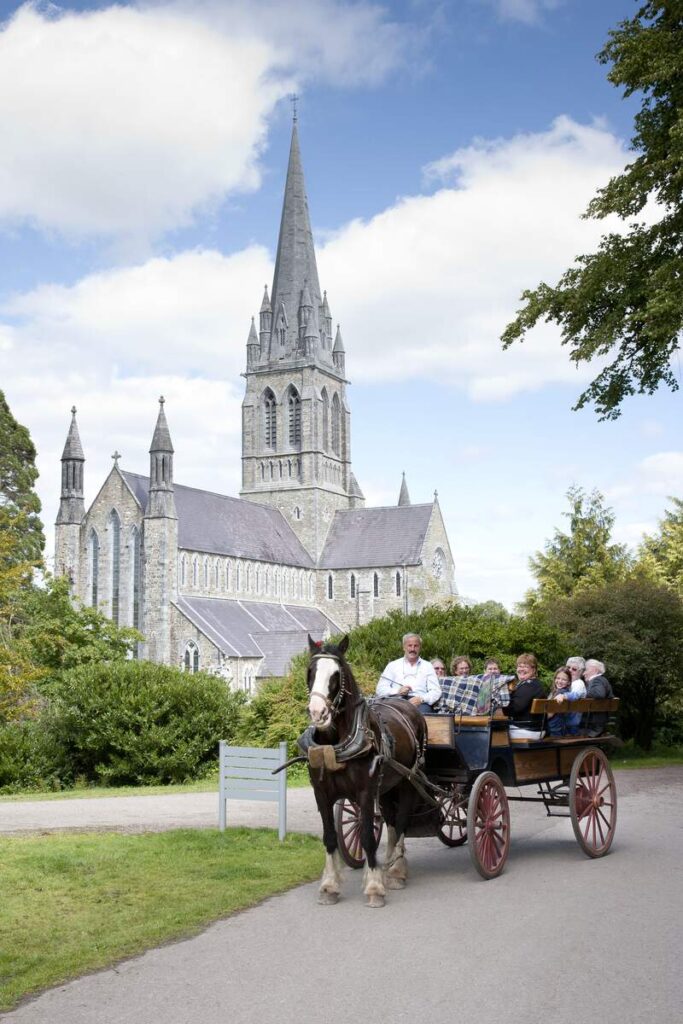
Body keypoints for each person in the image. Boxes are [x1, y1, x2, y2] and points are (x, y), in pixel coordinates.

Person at [376, 633, 441, 713]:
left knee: (424, 716)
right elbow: (380, 689)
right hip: (395, 701)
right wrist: (397, 691)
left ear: (420, 648)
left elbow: (436, 691)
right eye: (409, 645)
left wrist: (421, 699)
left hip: (419, 704)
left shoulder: (427, 666)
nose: (412, 649)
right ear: (404, 647)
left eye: (416, 646)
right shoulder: (392, 665)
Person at [556, 658, 613, 736]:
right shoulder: (598, 681)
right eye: (568, 667)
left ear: (594, 670)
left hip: (591, 725)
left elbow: (599, 694)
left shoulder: (597, 680)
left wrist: (583, 693)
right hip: (590, 722)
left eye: (586, 670)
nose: (584, 673)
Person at [503, 653, 545, 738]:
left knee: (494, 732)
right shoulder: (532, 684)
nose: (521, 669)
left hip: (528, 730)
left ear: (534, 670)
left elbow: (513, 709)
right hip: (532, 728)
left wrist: (502, 706)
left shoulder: (530, 685)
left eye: (525, 666)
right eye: (519, 666)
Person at [546, 666, 576, 737]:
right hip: (560, 728)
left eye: (563, 679)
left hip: (553, 729)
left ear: (569, 682)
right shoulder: (565, 693)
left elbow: (550, 714)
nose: (559, 681)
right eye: (558, 678)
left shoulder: (560, 695)